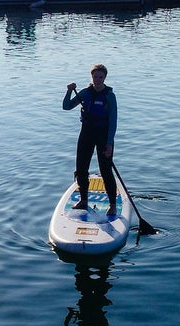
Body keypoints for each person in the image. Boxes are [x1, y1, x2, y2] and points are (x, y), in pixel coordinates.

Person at [62, 64, 118, 216]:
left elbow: (113, 121)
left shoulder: (109, 96)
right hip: (86, 133)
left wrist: (109, 144)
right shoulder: (85, 93)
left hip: (103, 135)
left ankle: (112, 205)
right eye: (95, 77)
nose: (97, 80)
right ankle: (83, 200)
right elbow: (66, 106)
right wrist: (68, 91)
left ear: (105, 78)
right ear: (91, 77)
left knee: (105, 170)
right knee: (81, 168)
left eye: (100, 77)